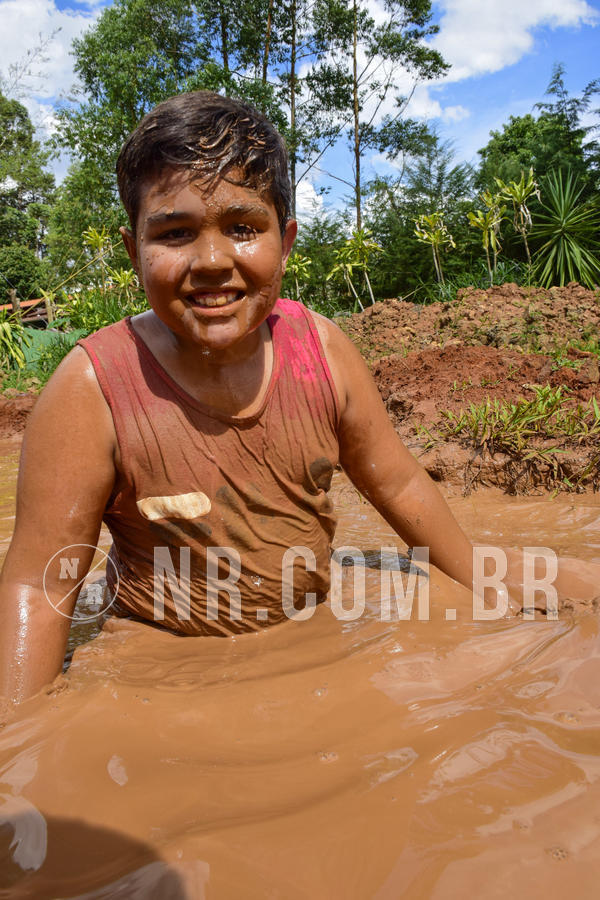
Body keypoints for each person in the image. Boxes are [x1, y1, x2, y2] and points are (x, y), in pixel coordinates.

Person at [0, 92, 597, 708]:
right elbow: (36, 586)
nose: (211, 261)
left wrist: (482, 583)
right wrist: (19, 749)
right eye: (175, 233)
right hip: (163, 655)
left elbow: (398, 485)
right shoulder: (92, 388)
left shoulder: (323, 355)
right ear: (134, 252)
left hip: (310, 624)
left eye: (242, 228)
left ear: (284, 241)